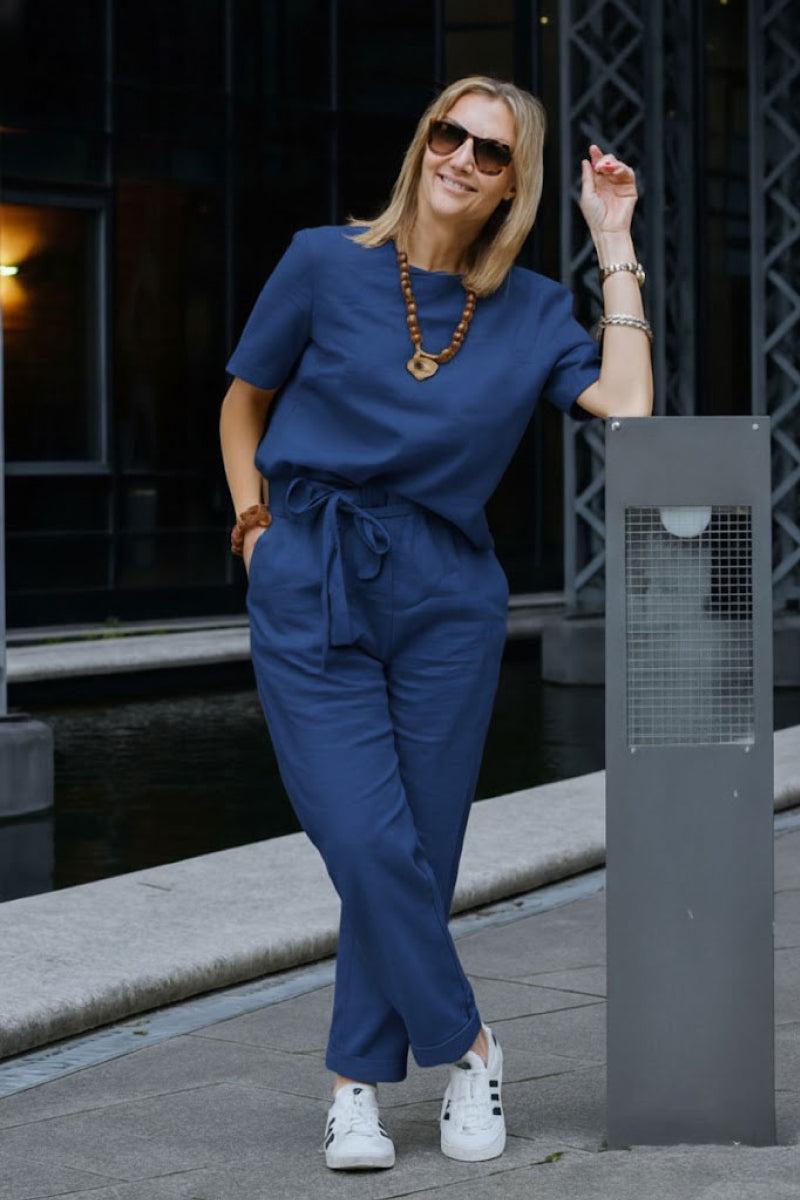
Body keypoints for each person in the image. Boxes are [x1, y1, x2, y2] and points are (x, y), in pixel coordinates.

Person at [219, 73, 652, 1172]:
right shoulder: (324, 261)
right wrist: (254, 525)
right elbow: (242, 402)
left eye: (490, 150)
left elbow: (630, 406)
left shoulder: (535, 308)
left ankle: (354, 1088)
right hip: (310, 562)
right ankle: (471, 1046)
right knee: (363, 840)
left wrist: (612, 239)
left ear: (515, 182)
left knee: (417, 850)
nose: (460, 156)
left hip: (445, 597)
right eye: (446, 134)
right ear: (421, 142)